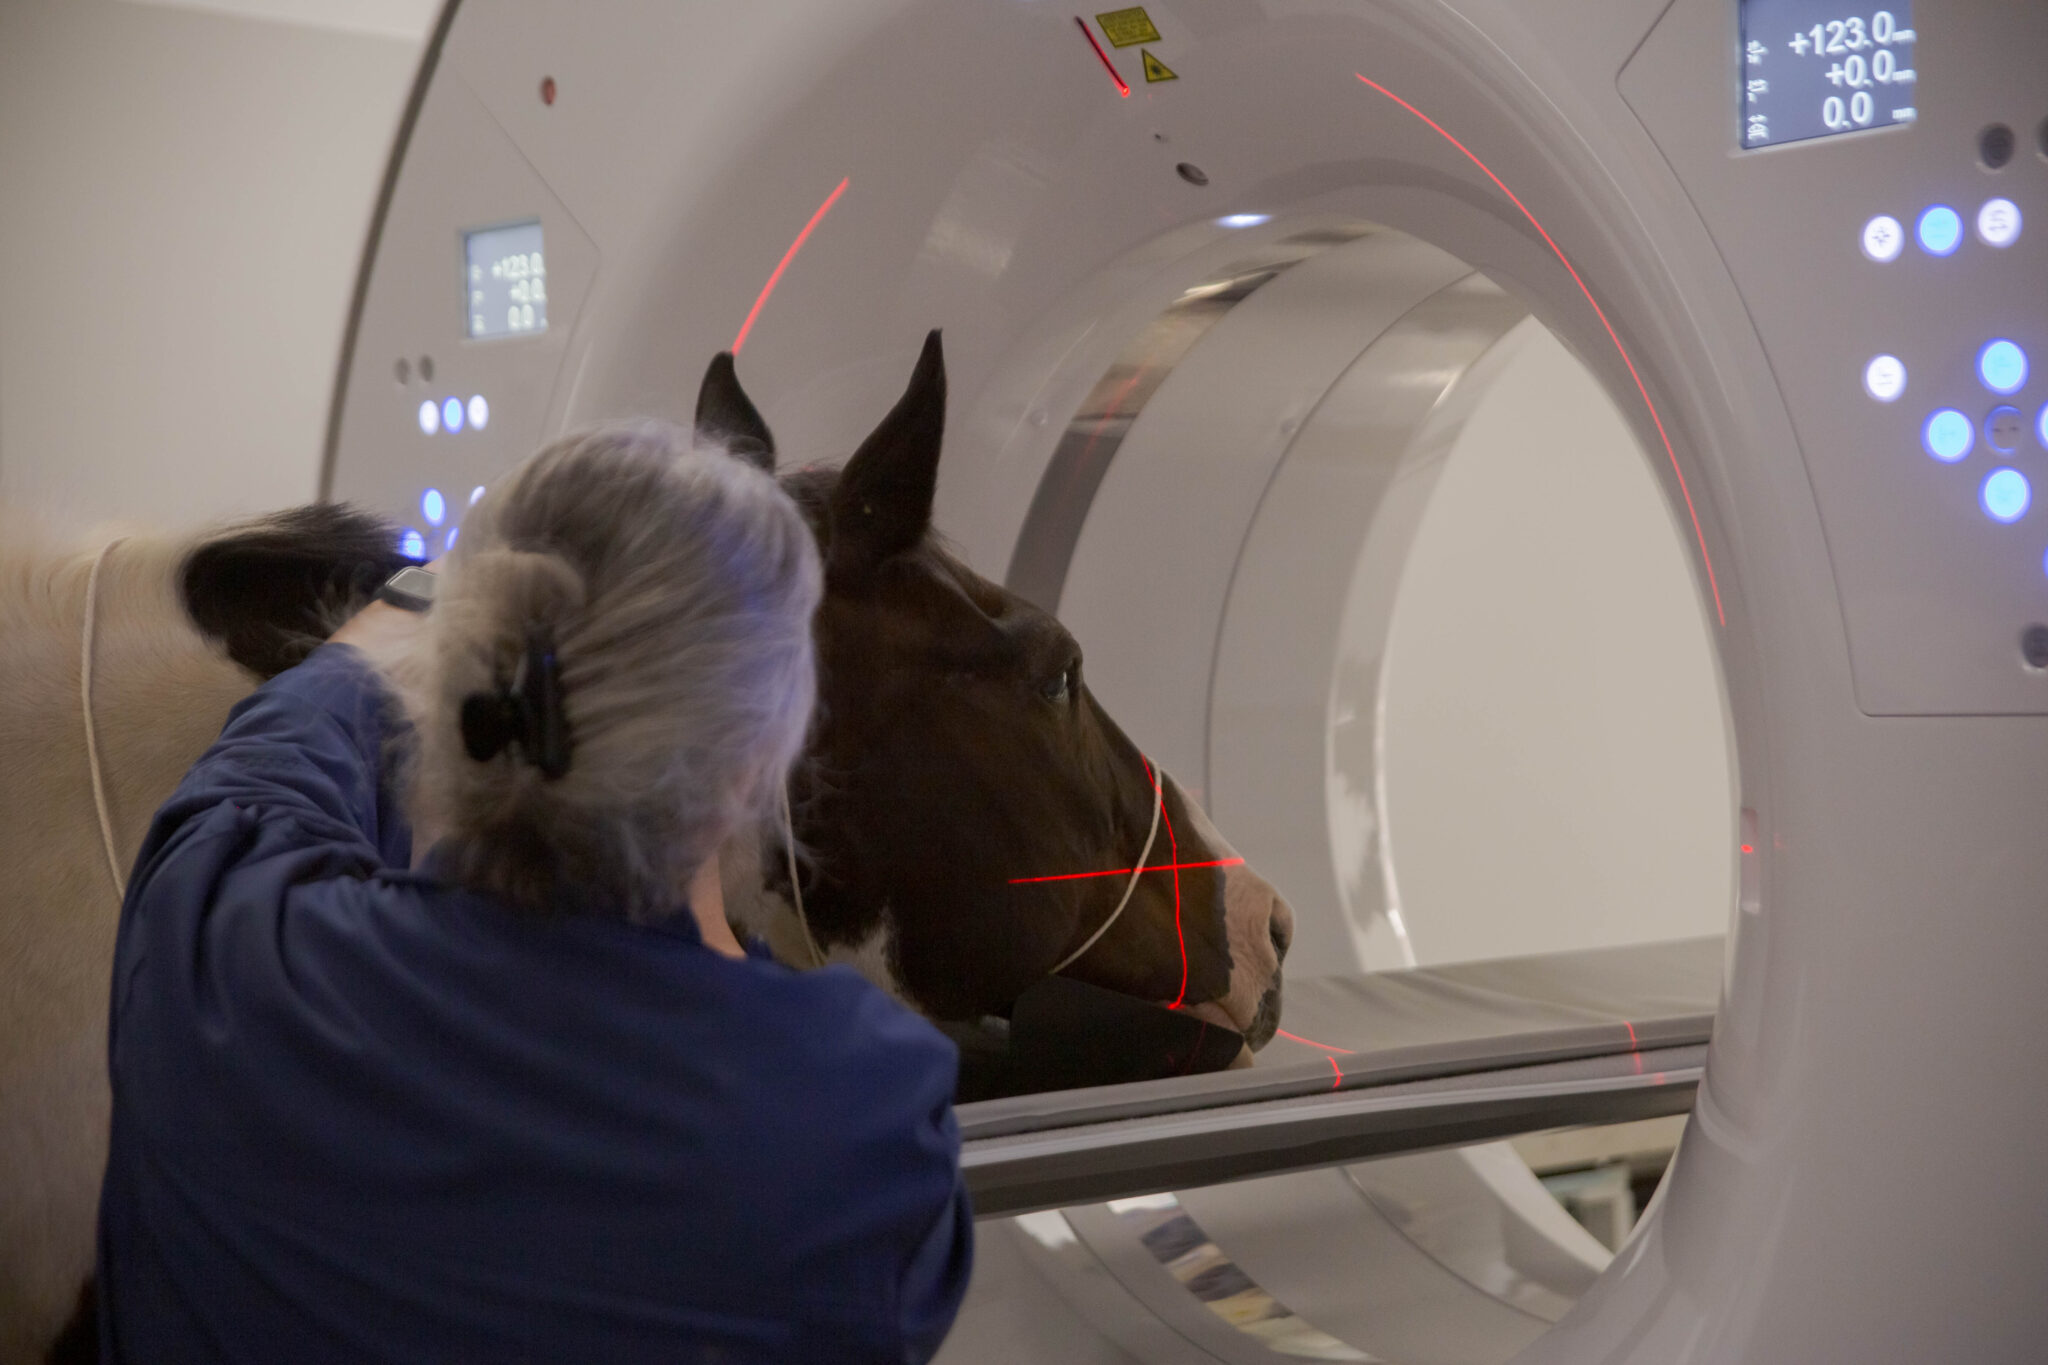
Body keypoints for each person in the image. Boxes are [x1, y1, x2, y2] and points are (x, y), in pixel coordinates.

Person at [95, 422, 973, 1362]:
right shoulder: (860, 1116)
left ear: (454, 693)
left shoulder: (219, 954)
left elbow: (257, 775)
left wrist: (400, 617)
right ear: (756, 759)